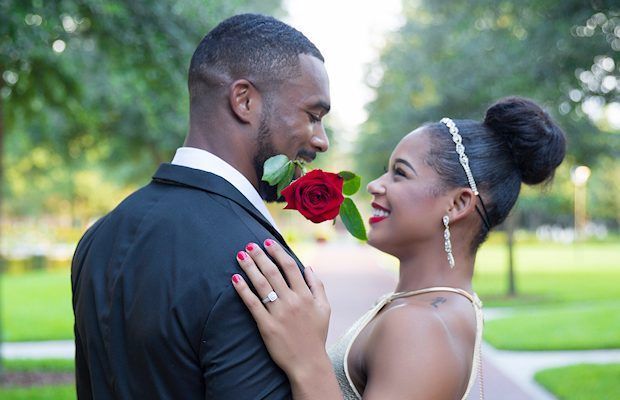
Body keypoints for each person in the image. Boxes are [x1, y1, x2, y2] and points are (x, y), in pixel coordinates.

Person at [231, 97, 566, 399]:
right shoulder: (435, 307)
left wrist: (306, 358)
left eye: (400, 174)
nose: (376, 185)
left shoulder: (420, 326)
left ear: (458, 203)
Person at [71, 14, 330, 399]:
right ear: (244, 100)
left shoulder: (98, 237)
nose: (321, 140)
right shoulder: (258, 269)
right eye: (313, 116)